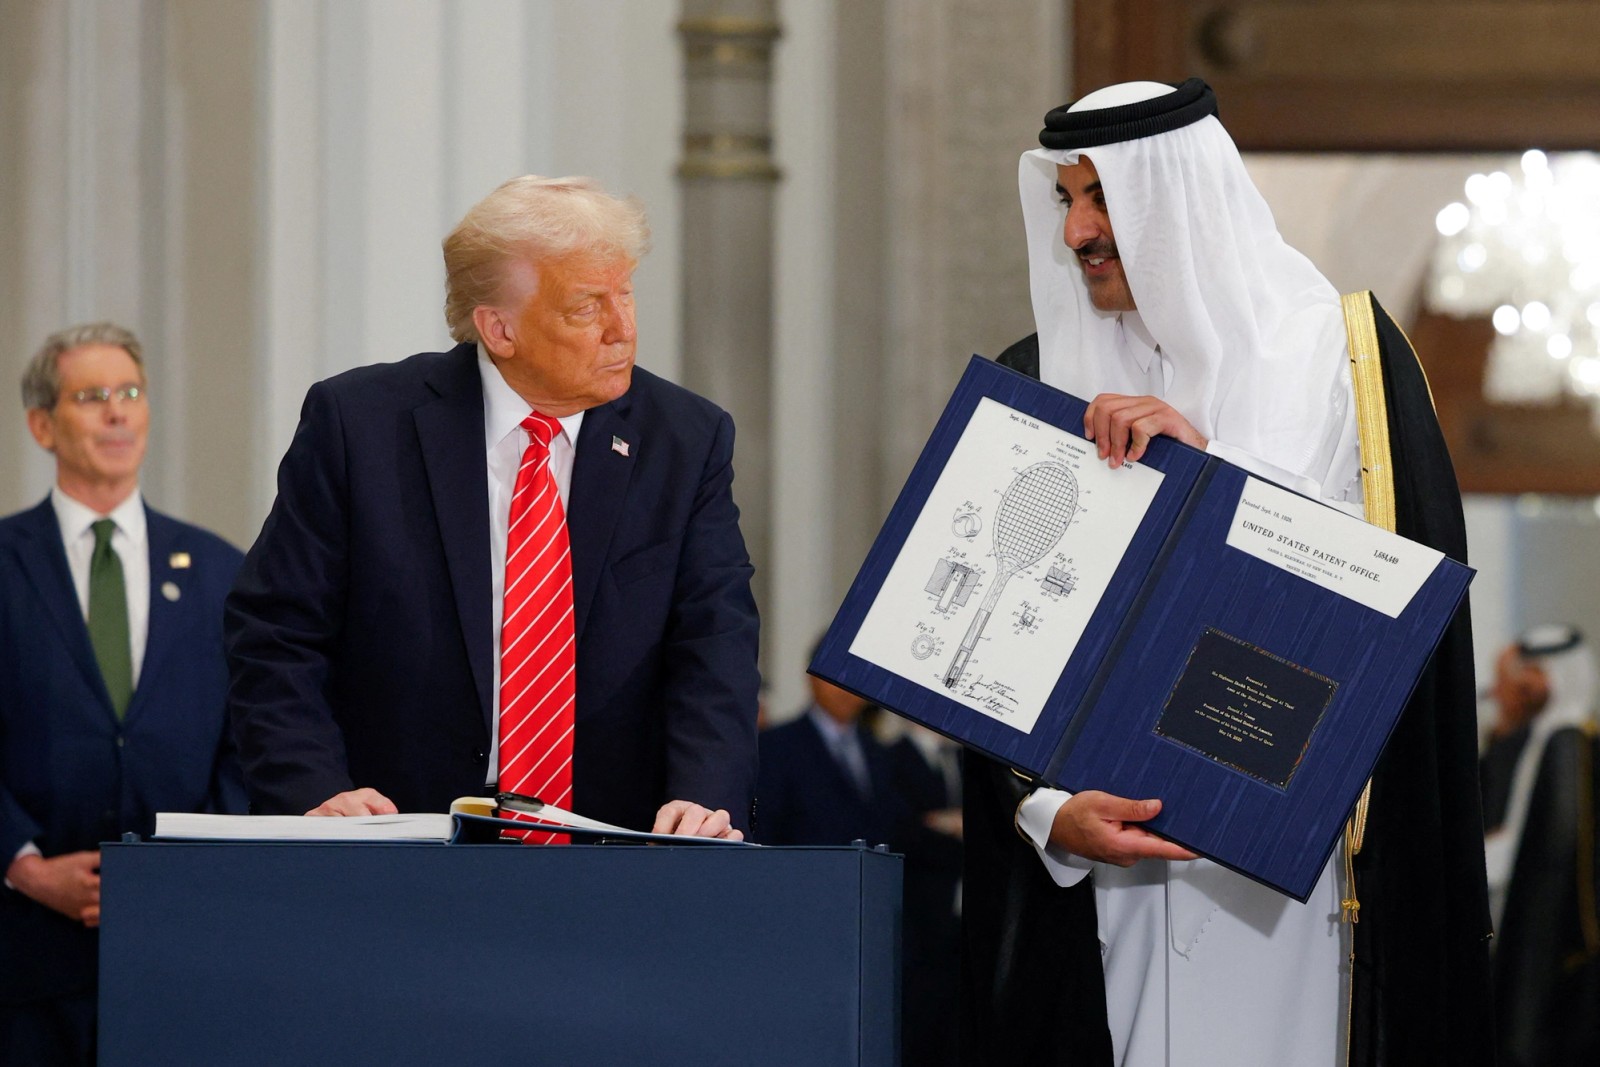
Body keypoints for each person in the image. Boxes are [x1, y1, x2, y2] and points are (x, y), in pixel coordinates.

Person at [960, 79, 1492, 1065]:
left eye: (1102, 198)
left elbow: (1391, 610)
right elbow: (986, 647)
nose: (1076, 232)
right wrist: (1049, 812)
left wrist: (1212, 479)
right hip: (1103, 884)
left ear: (1178, 198)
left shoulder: (1344, 361)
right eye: (1064, 200)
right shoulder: (1039, 374)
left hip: (1298, 894)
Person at [226, 176, 758, 840]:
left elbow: (715, 641)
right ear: (499, 329)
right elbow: (276, 634)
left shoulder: (684, 439)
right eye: (587, 307)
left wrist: (702, 795)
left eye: (625, 293)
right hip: (399, 839)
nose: (623, 329)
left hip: (616, 846)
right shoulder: (360, 426)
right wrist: (314, 789)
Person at [0, 322, 245, 1064]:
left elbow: (247, 735)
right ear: (42, 425)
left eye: (131, 392)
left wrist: (188, 867)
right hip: (25, 956)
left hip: (182, 947)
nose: (116, 412)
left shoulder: (218, 569)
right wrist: (23, 864)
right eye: (91, 396)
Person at [757, 655, 962, 1065]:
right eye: (837, 677)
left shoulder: (878, 751)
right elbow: (768, 835)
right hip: (808, 919)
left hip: (875, 919)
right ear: (814, 677)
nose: (846, 690)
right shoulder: (777, 746)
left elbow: (896, 826)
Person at [1479, 625, 1600, 1066]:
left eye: (1531, 671)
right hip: (1527, 907)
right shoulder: (1546, 735)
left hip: (1549, 922)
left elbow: (1554, 846)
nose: (1522, 682)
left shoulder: (1568, 741)